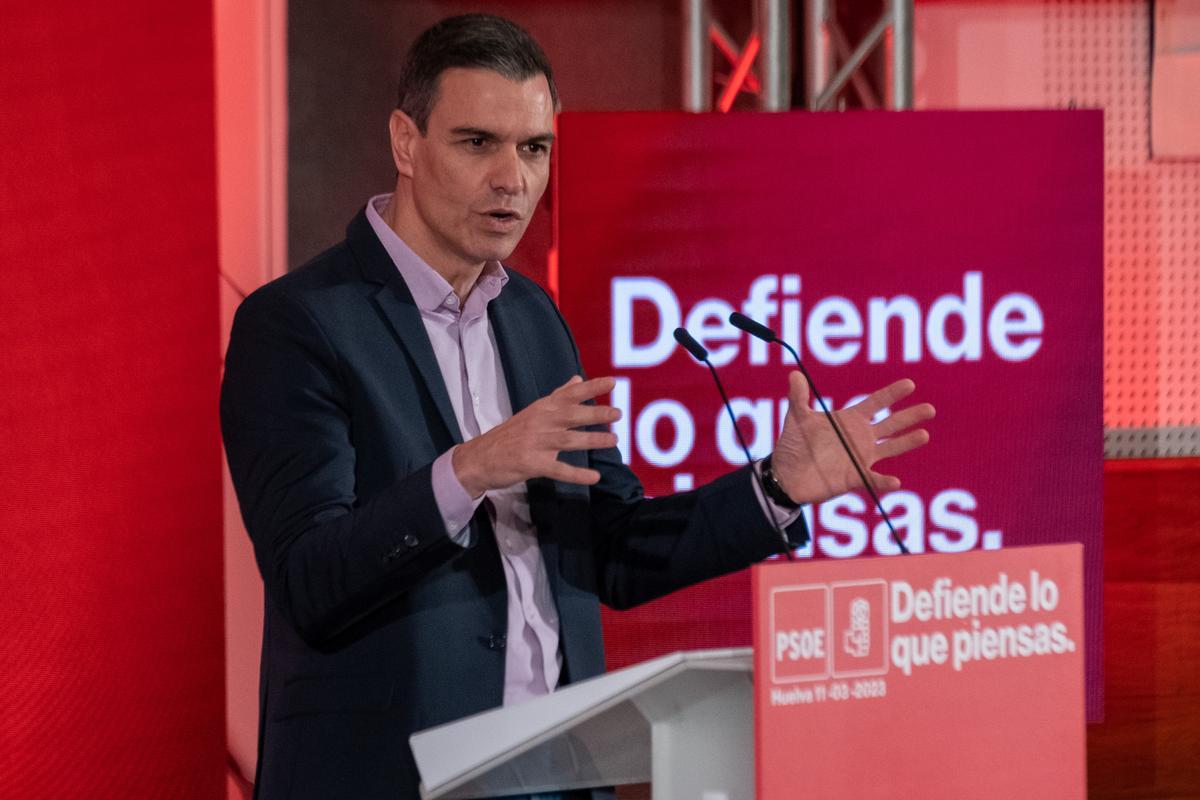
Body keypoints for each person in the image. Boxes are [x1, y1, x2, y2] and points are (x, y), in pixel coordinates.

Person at [220, 13, 934, 800]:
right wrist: (471, 470)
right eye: (477, 142)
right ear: (404, 142)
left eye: (534, 148)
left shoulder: (533, 318)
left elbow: (613, 549)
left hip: (559, 775)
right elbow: (309, 580)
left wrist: (775, 488)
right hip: (391, 778)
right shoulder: (298, 323)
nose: (513, 179)